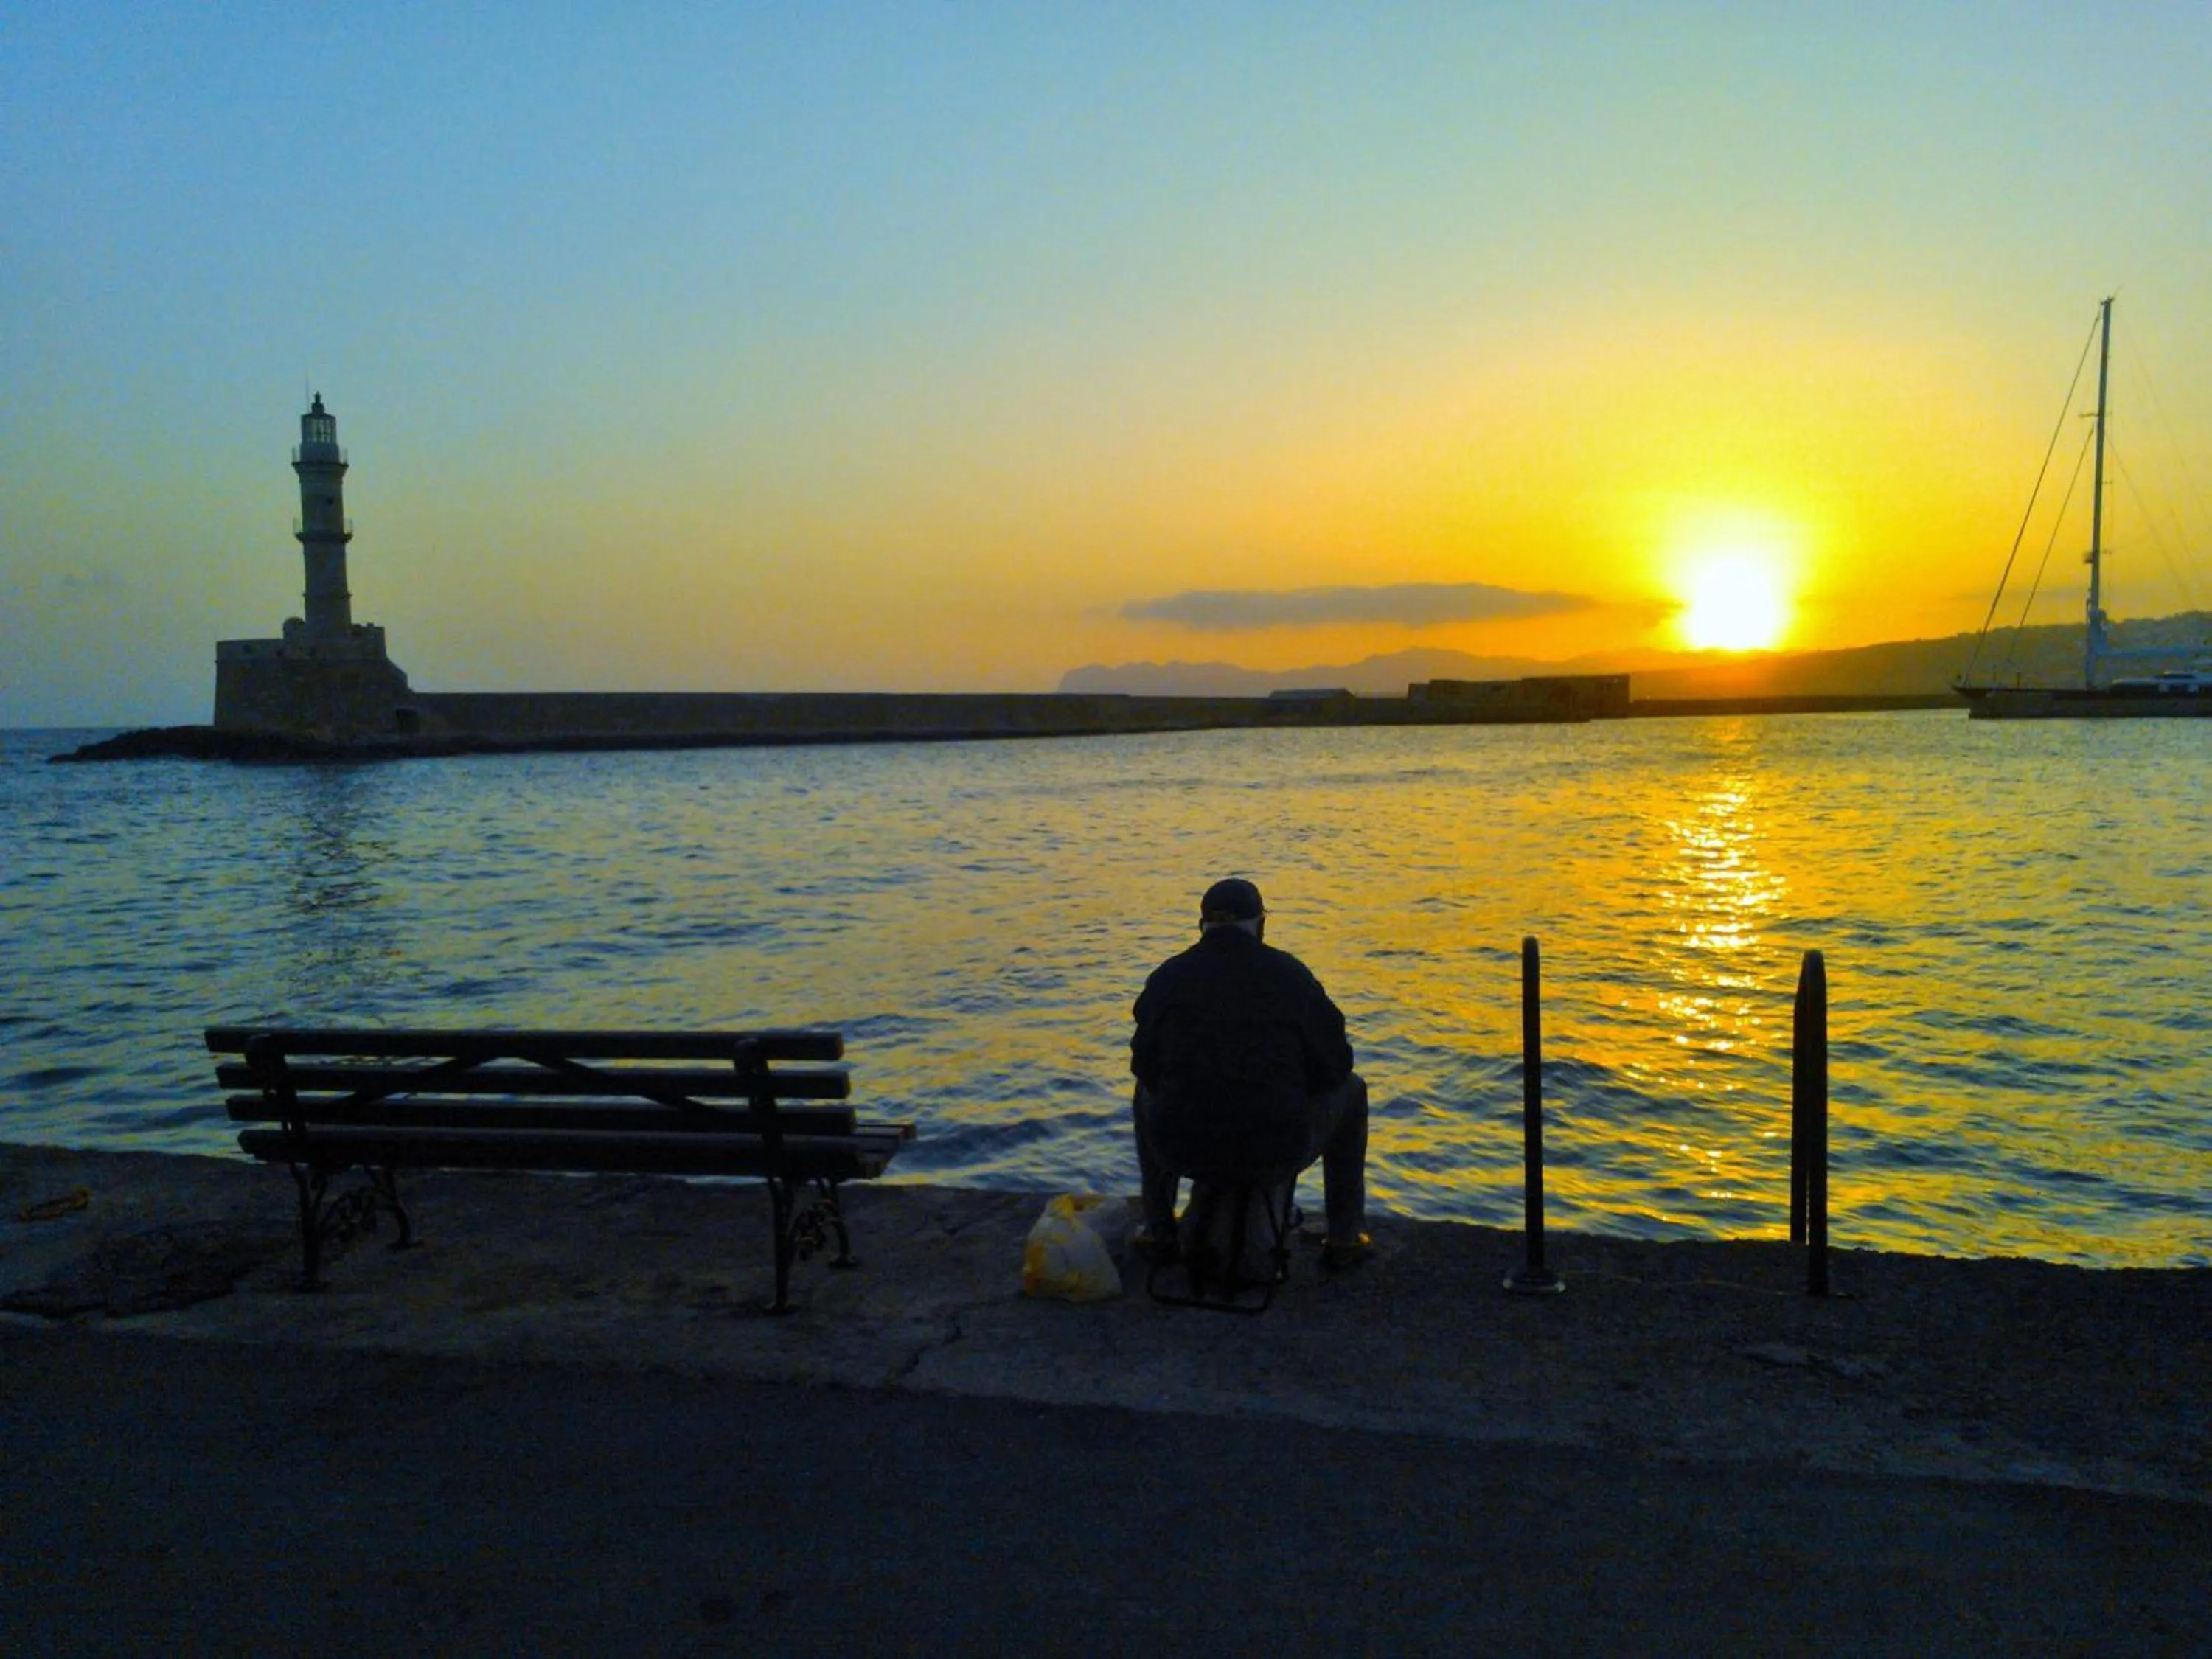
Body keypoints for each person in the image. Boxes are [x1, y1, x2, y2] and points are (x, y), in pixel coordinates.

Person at [1130, 877, 1371, 1269]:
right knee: (1353, 1091)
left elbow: (1144, 1065)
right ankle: (1344, 1237)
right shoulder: (1290, 976)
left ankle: (1158, 1230)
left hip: (1183, 1150)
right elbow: (1337, 1064)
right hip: (1274, 1151)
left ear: (1202, 926)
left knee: (1145, 1091)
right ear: (1261, 925)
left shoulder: (1167, 978)